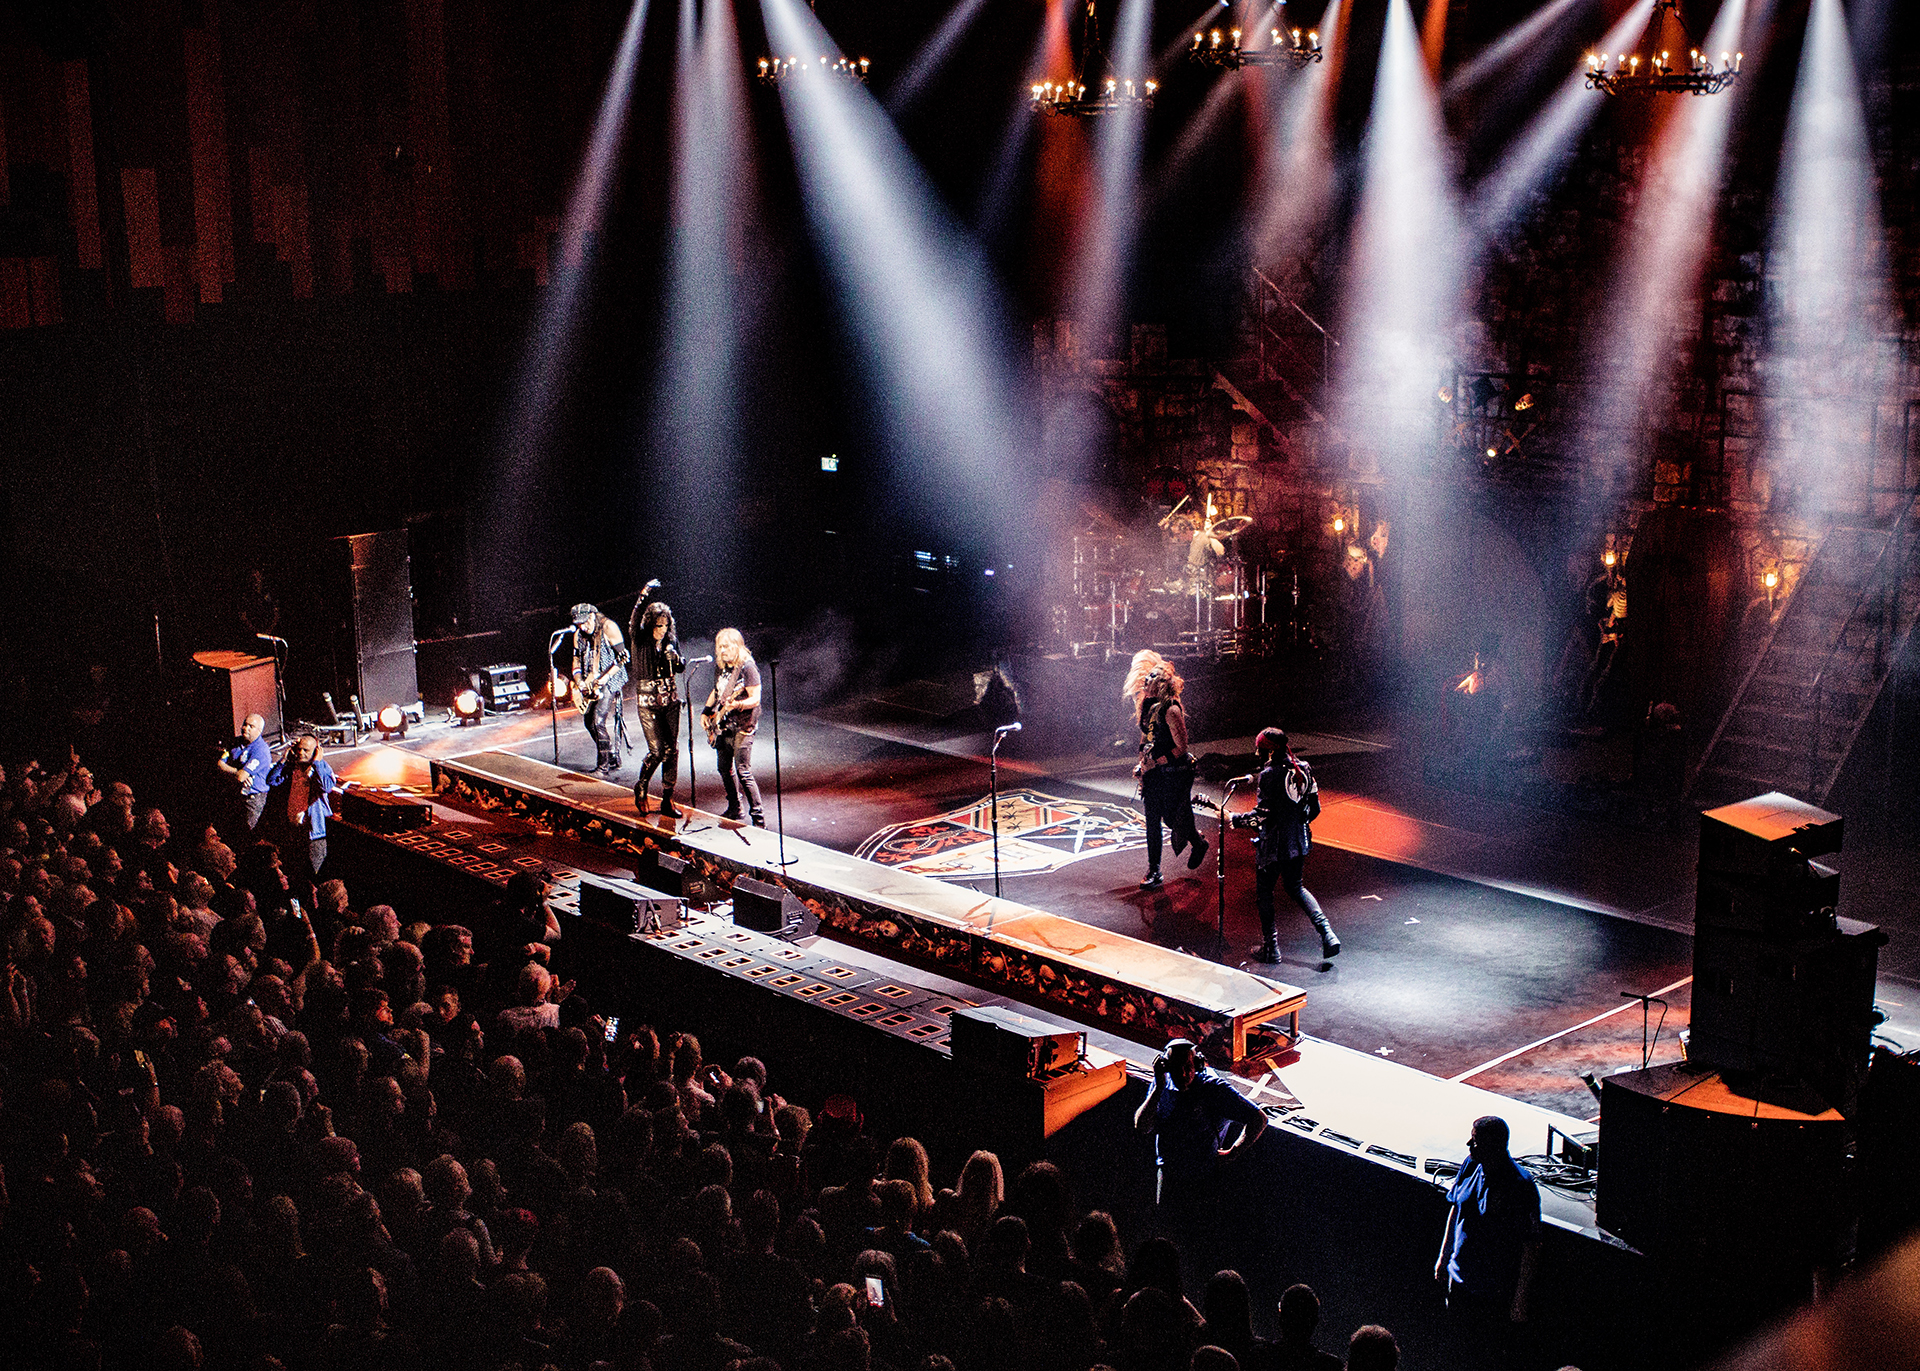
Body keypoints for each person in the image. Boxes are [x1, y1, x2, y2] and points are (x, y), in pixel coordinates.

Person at [1237, 728, 1339, 963]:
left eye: (1260, 750)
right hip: (1299, 840)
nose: (1256, 755)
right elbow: (1315, 808)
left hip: (1274, 845)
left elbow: (1261, 816)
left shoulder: (1269, 774)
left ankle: (1271, 948)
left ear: (1270, 751)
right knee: (1296, 887)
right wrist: (1297, 825)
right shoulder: (1303, 768)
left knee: (1265, 892)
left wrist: (1236, 820)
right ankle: (1327, 934)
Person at [1434, 1115, 1542, 1327]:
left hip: (1493, 1294)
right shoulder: (1470, 1165)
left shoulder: (1520, 1186)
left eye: (1474, 1140)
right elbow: (1456, 1209)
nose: (1468, 1144)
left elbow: (1531, 1245)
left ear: (1492, 1145)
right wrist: (1443, 1257)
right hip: (1459, 1282)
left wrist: (1520, 1298)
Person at [1133, 1038, 1266, 1207]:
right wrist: (1158, 1088)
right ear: (1165, 1066)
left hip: (1203, 1177)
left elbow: (1258, 1118)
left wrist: (1233, 1152)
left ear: (1197, 1064)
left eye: (1187, 1067)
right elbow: (1142, 1126)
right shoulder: (1161, 1086)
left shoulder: (1214, 1089)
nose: (1182, 1074)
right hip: (1169, 1174)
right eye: (1175, 1067)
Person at [1124, 650, 1205, 890]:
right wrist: (1142, 763)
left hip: (1174, 772)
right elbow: (1145, 736)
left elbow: (1181, 747)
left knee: (1173, 818)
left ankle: (1198, 842)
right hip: (1155, 772)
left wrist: (1155, 762)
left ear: (1159, 685)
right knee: (1151, 820)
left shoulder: (1171, 710)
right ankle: (1154, 870)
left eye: (1150, 678)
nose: (1144, 680)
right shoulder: (1146, 703)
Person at [628, 601, 685, 817]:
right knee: (657, 751)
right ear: (651, 624)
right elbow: (633, 623)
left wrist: (676, 658)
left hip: (670, 700)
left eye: (665, 626)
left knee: (672, 750)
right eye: (658, 625)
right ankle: (641, 786)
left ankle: (667, 799)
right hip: (648, 703)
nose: (662, 630)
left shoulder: (670, 641)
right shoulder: (640, 639)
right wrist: (643, 596)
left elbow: (680, 667)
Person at [703, 627, 764, 826]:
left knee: (743, 771)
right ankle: (735, 808)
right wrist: (706, 711)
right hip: (723, 725)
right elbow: (716, 690)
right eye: (719, 647)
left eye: (726, 647)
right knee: (724, 768)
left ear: (737, 646)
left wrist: (737, 704)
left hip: (743, 725)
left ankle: (758, 818)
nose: (721, 651)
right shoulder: (722, 666)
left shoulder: (747, 667)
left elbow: (755, 698)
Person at [265, 732, 341, 885]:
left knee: (315, 874)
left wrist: (317, 763)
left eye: (306, 750)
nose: (301, 753)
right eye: (299, 749)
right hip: (294, 829)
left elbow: (326, 786)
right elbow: (272, 781)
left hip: (314, 833)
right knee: (294, 870)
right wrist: (283, 760)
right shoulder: (291, 768)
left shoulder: (322, 767)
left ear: (316, 751)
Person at [569, 602, 630, 776]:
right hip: (590, 681)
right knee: (588, 723)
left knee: (598, 720)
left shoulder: (608, 627)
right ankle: (610, 755)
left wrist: (606, 677)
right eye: (579, 623)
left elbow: (622, 658)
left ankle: (602, 768)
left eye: (585, 621)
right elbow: (576, 661)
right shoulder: (578, 635)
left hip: (610, 678)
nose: (583, 626)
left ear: (593, 615)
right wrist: (579, 681)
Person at [216, 713, 273, 831]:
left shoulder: (261, 750)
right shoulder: (235, 743)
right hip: (235, 794)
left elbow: (241, 777)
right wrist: (237, 771)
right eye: (244, 724)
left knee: (249, 832)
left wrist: (237, 773)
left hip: (252, 798)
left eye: (250, 726)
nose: (245, 728)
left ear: (259, 730)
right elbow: (220, 764)